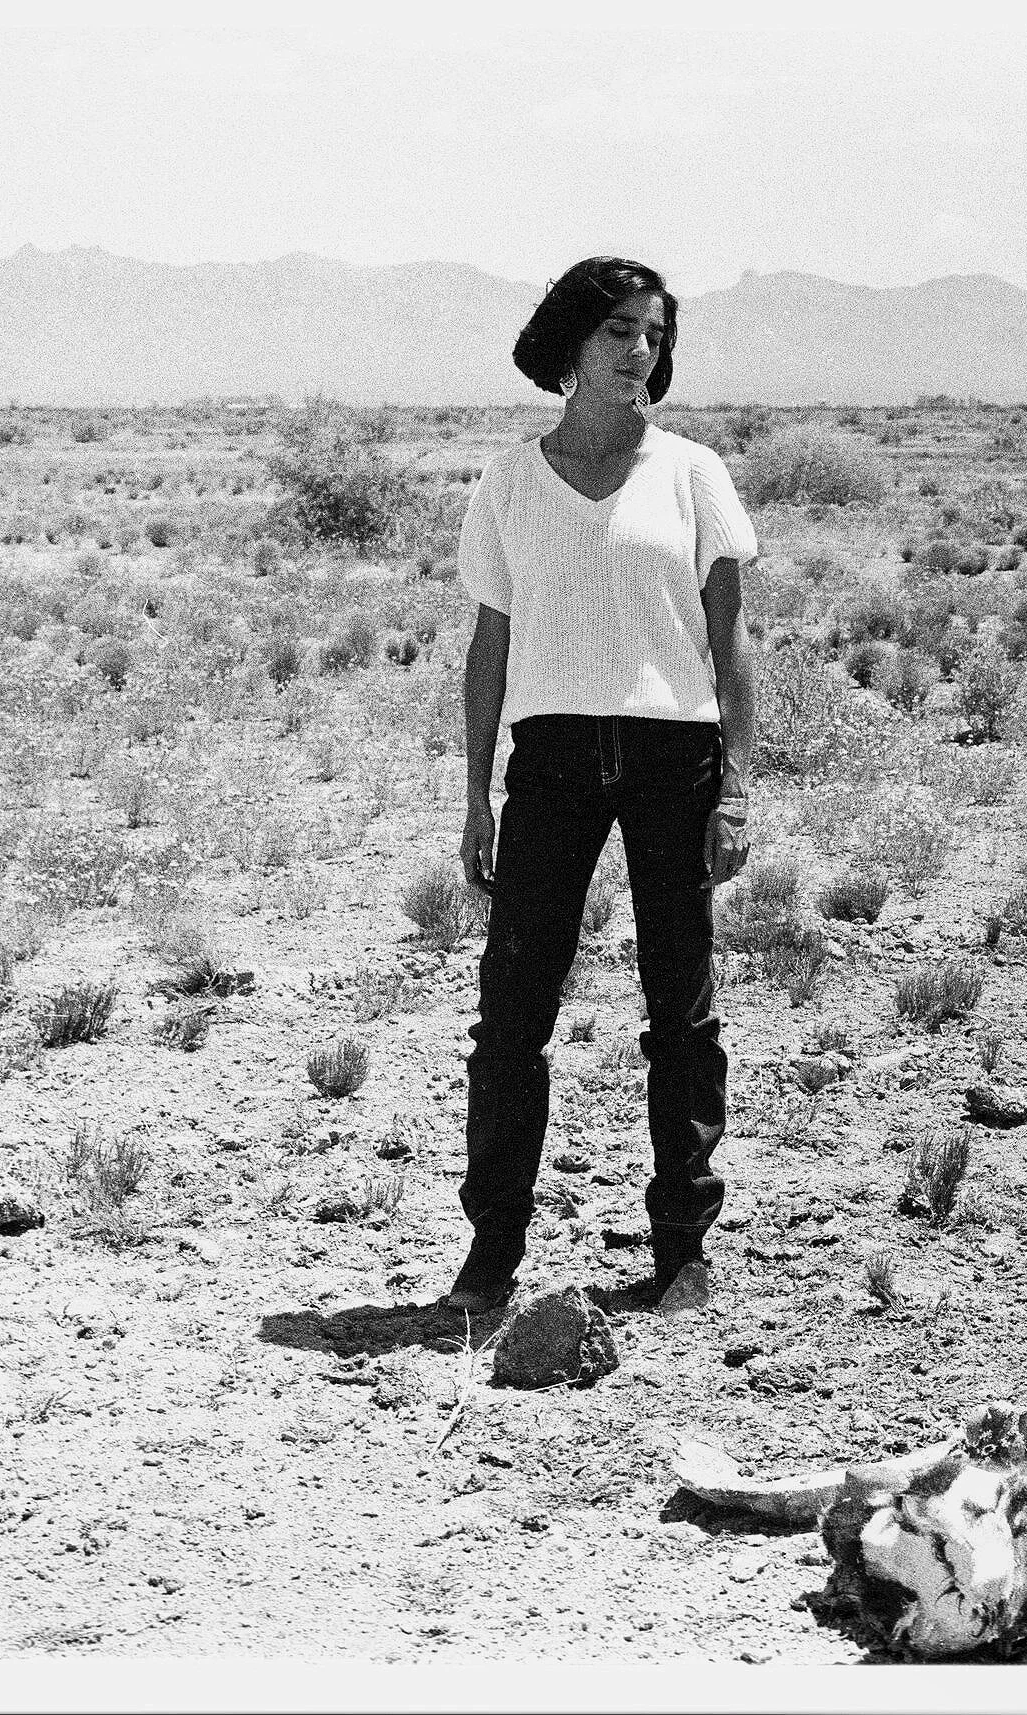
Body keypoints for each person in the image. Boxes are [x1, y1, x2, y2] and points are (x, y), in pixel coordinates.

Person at [442, 256, 757, 1317]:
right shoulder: (508, 482)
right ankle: (492, 1249)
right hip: (554, 759)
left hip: (675, 758)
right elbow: (490, 644)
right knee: (511, 1014)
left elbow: (731, 642)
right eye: (619, 330)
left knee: (682, 1013)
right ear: (569, 342)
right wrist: (476, 795)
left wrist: (737, 788)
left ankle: (682, 1249)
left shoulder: (692, 473)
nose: (640, 352)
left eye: (654, 335)